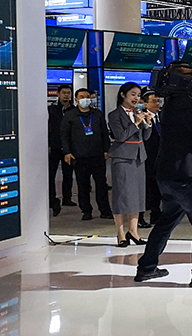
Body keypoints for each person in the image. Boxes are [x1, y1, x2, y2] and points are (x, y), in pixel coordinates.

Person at [135, 63, 192, 287]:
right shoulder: (183, 104)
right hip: (188, 174)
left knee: (167, 221)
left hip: (171, 174)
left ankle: (147, 267)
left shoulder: (175, 102)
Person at [107, 82, 153, 247]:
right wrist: (136, 124)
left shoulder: (137, 112)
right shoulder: (114, 115)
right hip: (122, 157)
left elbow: (146, 137)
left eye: (138, 95)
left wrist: (147, 123)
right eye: (133, 94)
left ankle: (133, 231)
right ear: (123, 95)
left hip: (139, 157)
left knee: (137, 195)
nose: (136, 98)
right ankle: (120, 233)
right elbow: (120, 136)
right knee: (121, 195)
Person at [60, 88, 112, 221]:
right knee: (83, 185)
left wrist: (106, 150)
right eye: (82, 97)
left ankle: (105, 210)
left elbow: (104, 133)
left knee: (101, 184)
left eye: (88, 97)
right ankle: (86, 211)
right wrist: (67, 152)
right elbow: (64, 136)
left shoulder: (97, 114)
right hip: (79, 156)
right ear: (76, 100)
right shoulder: (70, 116)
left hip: (97, 155)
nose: (85, 99)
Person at [47, 84, 73, 216]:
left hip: (69, 147)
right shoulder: (52, 110)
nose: (66, 95)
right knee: (51, 174)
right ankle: (52, 199)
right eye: (64, 93)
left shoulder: (73, 110)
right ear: (58, 94)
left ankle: (67, 198)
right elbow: (48, 127)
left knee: (68, 173)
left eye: (68, 93)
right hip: (55, 146)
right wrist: (48, 144)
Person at [140, 89, 162, 228]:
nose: (157, 104)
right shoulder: (142, 118)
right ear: (145, 104)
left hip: (161, 157)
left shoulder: (163, 117)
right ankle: (141, 214)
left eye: (158, 101)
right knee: (146, 187)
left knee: (157, 186)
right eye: (154, 101)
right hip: (147, 157)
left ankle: (156, 212)